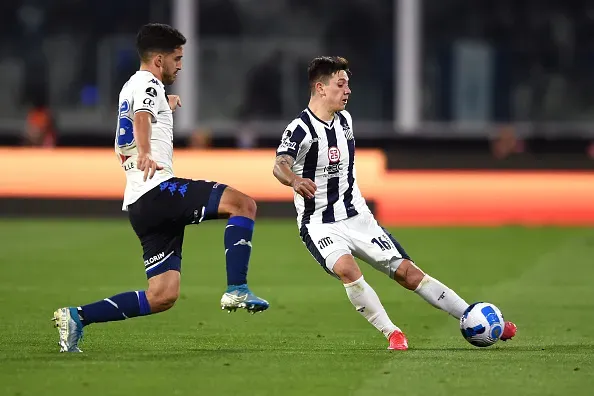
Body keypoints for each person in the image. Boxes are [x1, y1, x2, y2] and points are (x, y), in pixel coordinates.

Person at [272, 56, 517, 350]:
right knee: (347, 269)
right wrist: (294, 180)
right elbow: (279, 164)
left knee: (407, 273)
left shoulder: (345, 120)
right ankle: (392, 333)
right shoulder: (299, 128)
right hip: (319, 224)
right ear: (321, 88)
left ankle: (475, 318)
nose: (348, 90)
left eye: (349, 84)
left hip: (358, 217)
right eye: (341, 84)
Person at [52, 23, 269, 353]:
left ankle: (77, 317)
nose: (180, 65)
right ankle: (237, 288)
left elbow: (138, 115)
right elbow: (140, 118)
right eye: (177, 58)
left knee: (162, 295)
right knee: (243, 204)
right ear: (158, 59)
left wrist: (164, 107)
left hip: (141, 204)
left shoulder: (133, 86)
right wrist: (145, 152)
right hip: (158, 190)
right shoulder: (148, 83)